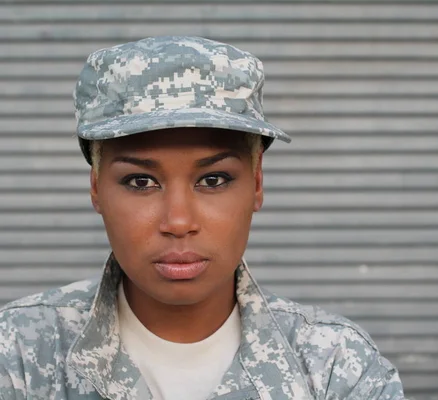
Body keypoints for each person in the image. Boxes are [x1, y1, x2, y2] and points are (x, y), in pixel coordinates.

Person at [0, 36, 403, 400]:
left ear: (257, 183)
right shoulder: (17, 353)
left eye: (214, 179)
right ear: (95, 188)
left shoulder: (335, 368)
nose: (178, 221)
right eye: (140, 181)